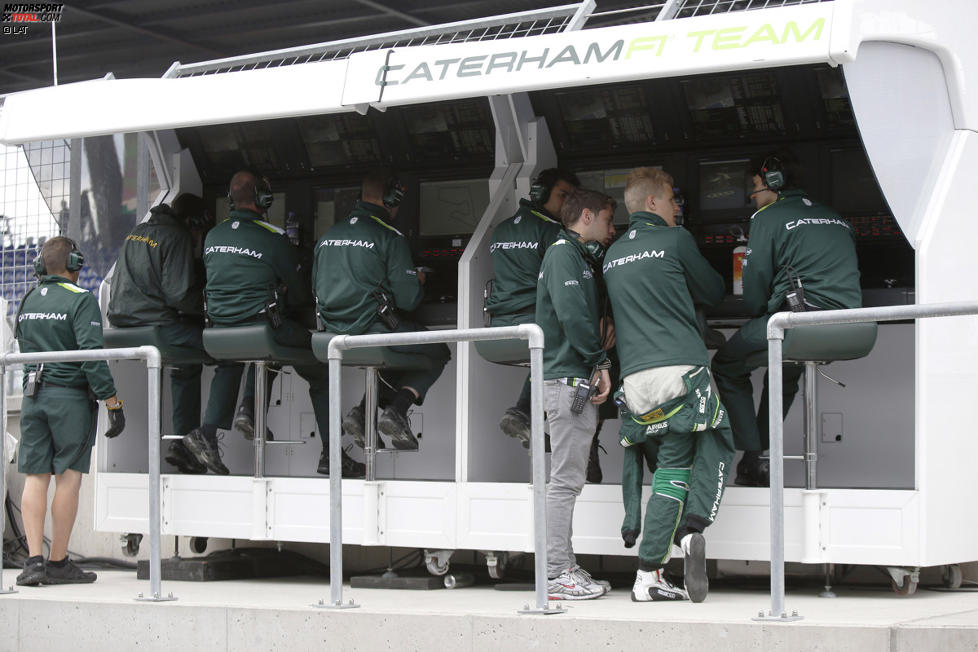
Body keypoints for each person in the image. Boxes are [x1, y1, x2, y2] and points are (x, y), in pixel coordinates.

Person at [603, 167, 735, 602]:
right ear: (654, 203)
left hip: (635, 382)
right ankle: (686, 535)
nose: (678, 207)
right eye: (673, 200)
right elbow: (713, 289)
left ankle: (658, 565)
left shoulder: (612, 254)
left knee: (669, 469)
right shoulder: (676, 240)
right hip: (681, 371)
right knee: (716, 438)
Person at [183, 170, 364, 478]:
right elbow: (299, 293)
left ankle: (212, 432)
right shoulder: (273, 237)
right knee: (318, 365)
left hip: (218, 333)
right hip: (263, 331)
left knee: (237, 361)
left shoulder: (213, 236)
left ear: (230, 200)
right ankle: (332, 456)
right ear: (262, 199)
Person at [711, 153, 861, 487]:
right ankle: (760, 457)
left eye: (754, 186)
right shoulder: (835, 217)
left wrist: (759, 304)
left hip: (798, 324)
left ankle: (753, 454)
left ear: (773, 182)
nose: (752, 194)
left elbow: (753, 293)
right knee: (786, 371)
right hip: (852, 326)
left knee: (725, 365)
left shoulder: (767, 216)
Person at [15, 237, 126, 586]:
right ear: (75, 263)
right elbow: (92, 357)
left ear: (40, 266)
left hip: (33, 397)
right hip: (69, 401)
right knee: (69, 479)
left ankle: (33, 563)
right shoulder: (81, 300)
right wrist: (113, 402)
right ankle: (59, 562)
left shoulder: (28, 299)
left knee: (36, 477)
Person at [316, 169, 451, 451]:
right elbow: (408, 299)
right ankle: (397, 410)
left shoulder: (329, 234)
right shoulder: (390, 236)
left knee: (396, 350)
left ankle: (363, 414)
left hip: (329, 337)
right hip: (372, 333)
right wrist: (417, 279)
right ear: (393, 197)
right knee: (436, 349)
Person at [536, 188, 616, 600]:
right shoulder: (563, 254)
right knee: (564, 482)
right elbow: (571, 315)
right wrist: (600, 361)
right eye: (606, 220)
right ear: (586, 216)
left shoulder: (574, 255)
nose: (610, 229)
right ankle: (554, 573)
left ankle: (564, 566)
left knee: (567, 481)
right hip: (568, 379)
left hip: (571, 379)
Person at [108, 193, 209, 474]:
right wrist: (212, 308)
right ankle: (198, 441)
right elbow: (179, 295)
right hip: (156, 329)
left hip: (124, 327)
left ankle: (184, 445)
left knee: (185, 363)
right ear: (193, 221)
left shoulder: (137, 232)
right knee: (223, 350)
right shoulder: (177, 236)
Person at [485, 168, 579, 446]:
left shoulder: (500, 229)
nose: (568, 203)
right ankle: (531, 415)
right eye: (563, 195)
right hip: (535, 325)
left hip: (499, 327)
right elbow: (564, 286)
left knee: (549, 348)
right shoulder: (553, 232)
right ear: (540, 194)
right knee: (576, 344)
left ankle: (532, 423)